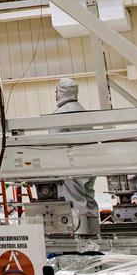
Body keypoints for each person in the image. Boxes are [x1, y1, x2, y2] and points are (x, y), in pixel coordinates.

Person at [53, 78, 101, 244]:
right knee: (89, 200)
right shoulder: (83, 112)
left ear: (60, 92)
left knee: (76, 203)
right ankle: (95, 239)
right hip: (89, 166)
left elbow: (50, 144)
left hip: (71, 166)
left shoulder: (60, 115)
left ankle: (81, 243)